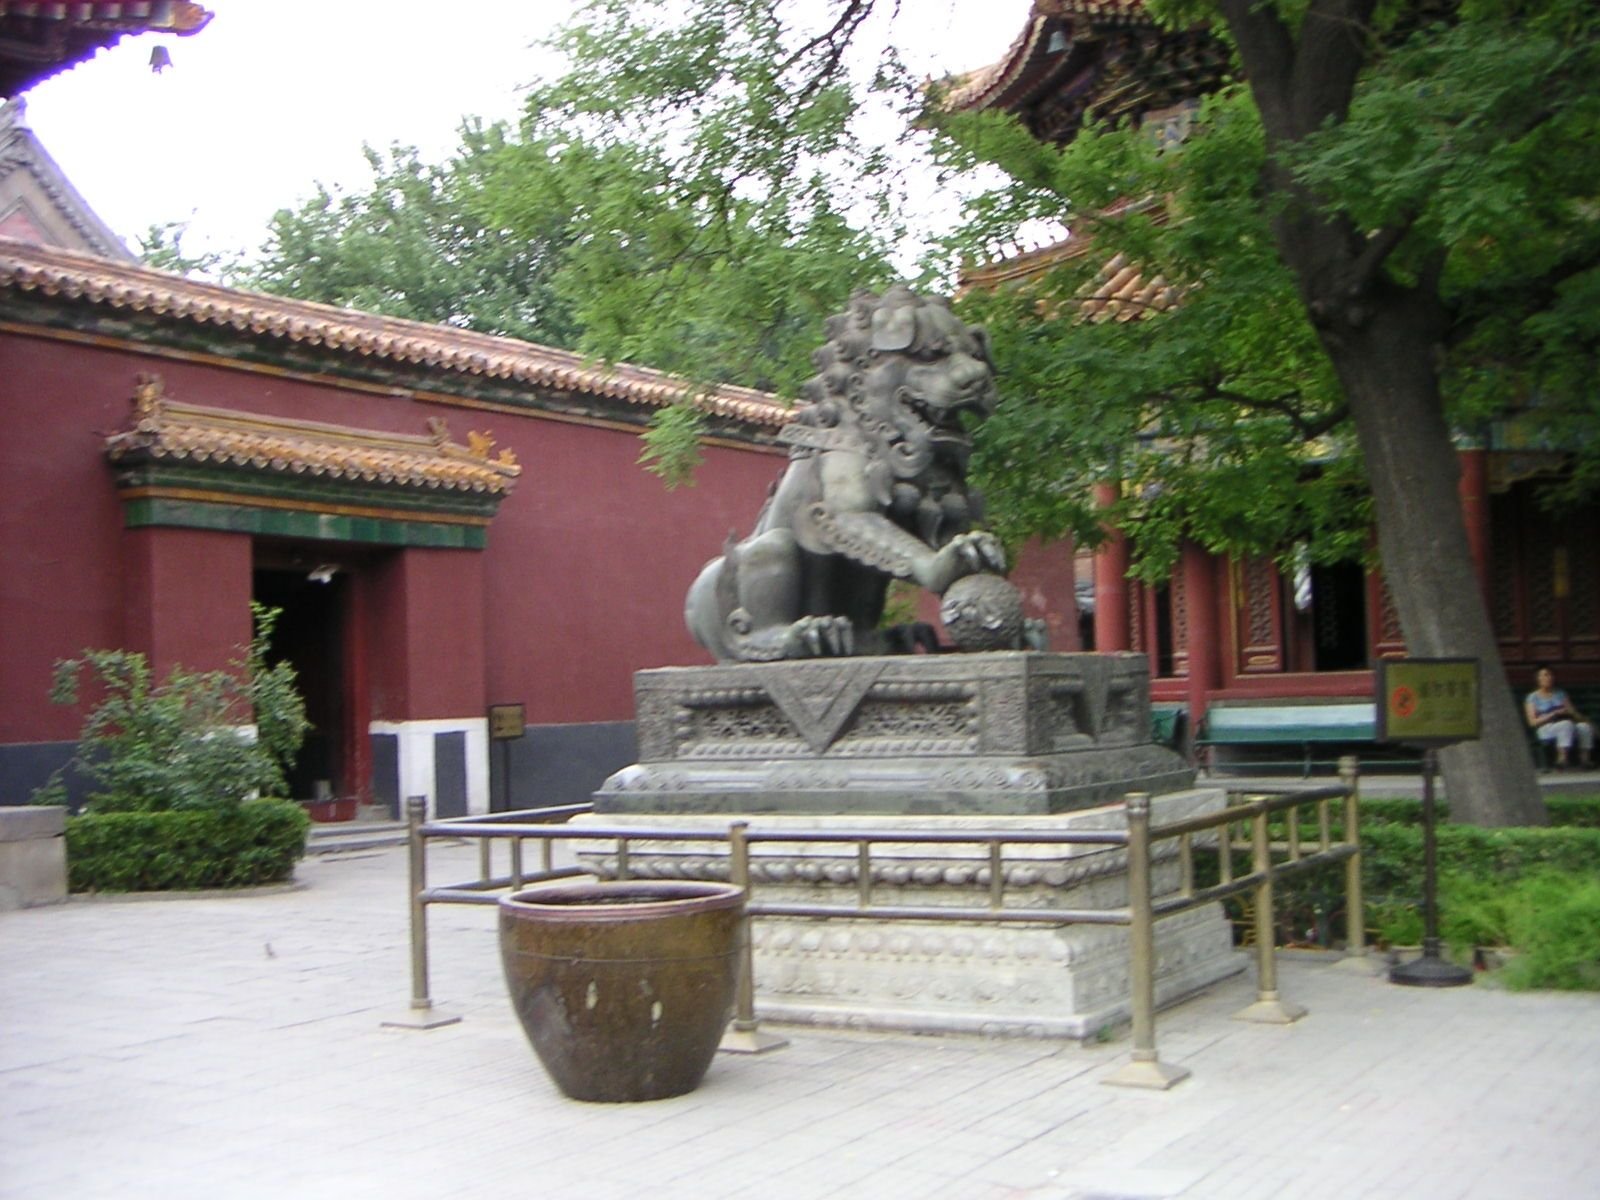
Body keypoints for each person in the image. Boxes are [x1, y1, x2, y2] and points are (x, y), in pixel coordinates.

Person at [1524, 666, 1594, 769]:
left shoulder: (1560, 694)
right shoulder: (1533, 697)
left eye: (1550, 675)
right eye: (1545, 675)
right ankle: (1562, 759)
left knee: (1584, 727)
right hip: (1546, 727)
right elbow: (1532, 722)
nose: (1548, 678)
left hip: (1565, 723)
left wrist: (1579, 717)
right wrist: (1553, 714)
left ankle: (1585, 760)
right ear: (1537, 678)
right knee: (1565, 725)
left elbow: (1572, 711)